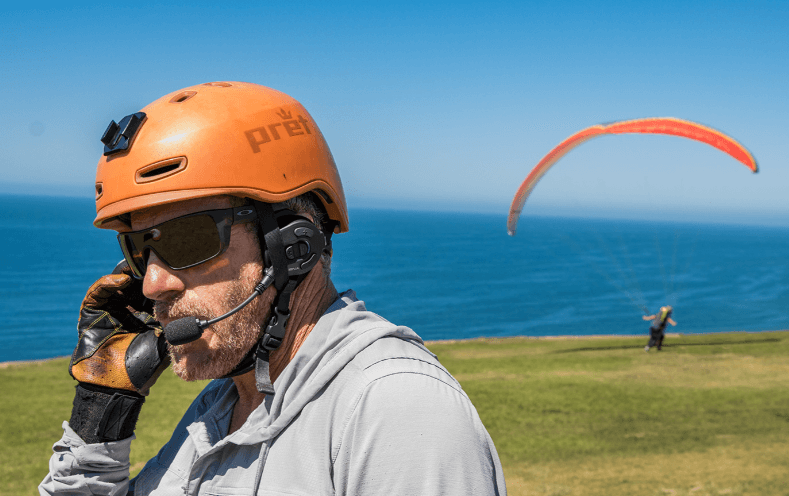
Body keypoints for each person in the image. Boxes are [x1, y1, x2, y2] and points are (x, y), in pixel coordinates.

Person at [39, 82, 506, 495]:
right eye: (140, 248)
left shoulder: (395, 410)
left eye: (188, 239)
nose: (154, 283)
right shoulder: (220, 408)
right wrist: (100, 415)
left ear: (292, 244)